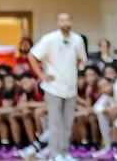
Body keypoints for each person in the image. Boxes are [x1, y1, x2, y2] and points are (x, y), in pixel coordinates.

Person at [29, 13, 86, 161]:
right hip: (53, 87)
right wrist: (42, 75)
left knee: (68, 122)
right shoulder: (49, 39)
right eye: (62, 20)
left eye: (67, 20)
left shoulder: (77, 39)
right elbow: (32, 56)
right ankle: (55, 154)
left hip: (71, 87)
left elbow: (81, 59)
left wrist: (76, 71)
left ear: (71, 22)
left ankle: (65, 152)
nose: (65, 23)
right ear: (57, 23)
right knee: (55, 122)